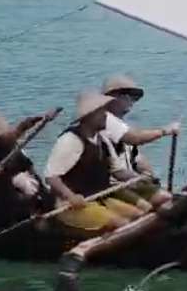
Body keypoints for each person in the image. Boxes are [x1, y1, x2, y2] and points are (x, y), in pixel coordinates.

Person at [42, 90, 146, 233]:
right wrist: (71, 197)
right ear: (89, 117)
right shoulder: (70, 140)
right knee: (121, 223)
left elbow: (117, 171)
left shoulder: (102, 140)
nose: (106, 116)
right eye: (101, 113)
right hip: (71, 205)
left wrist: (138, 178)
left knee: (139, 215)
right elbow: (51, 177)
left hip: (98, 198)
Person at [99, 73, 181, 213]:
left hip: (130, 181)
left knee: (170, 197)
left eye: (133, 98)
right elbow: (136, 138)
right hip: (114, 185)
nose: (131, 102)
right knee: (165, 200)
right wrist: (164, 131)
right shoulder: (106, 119)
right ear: (114, 97)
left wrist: (151, 176)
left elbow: (136, 156)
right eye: (128, 96)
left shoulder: (120, 124)